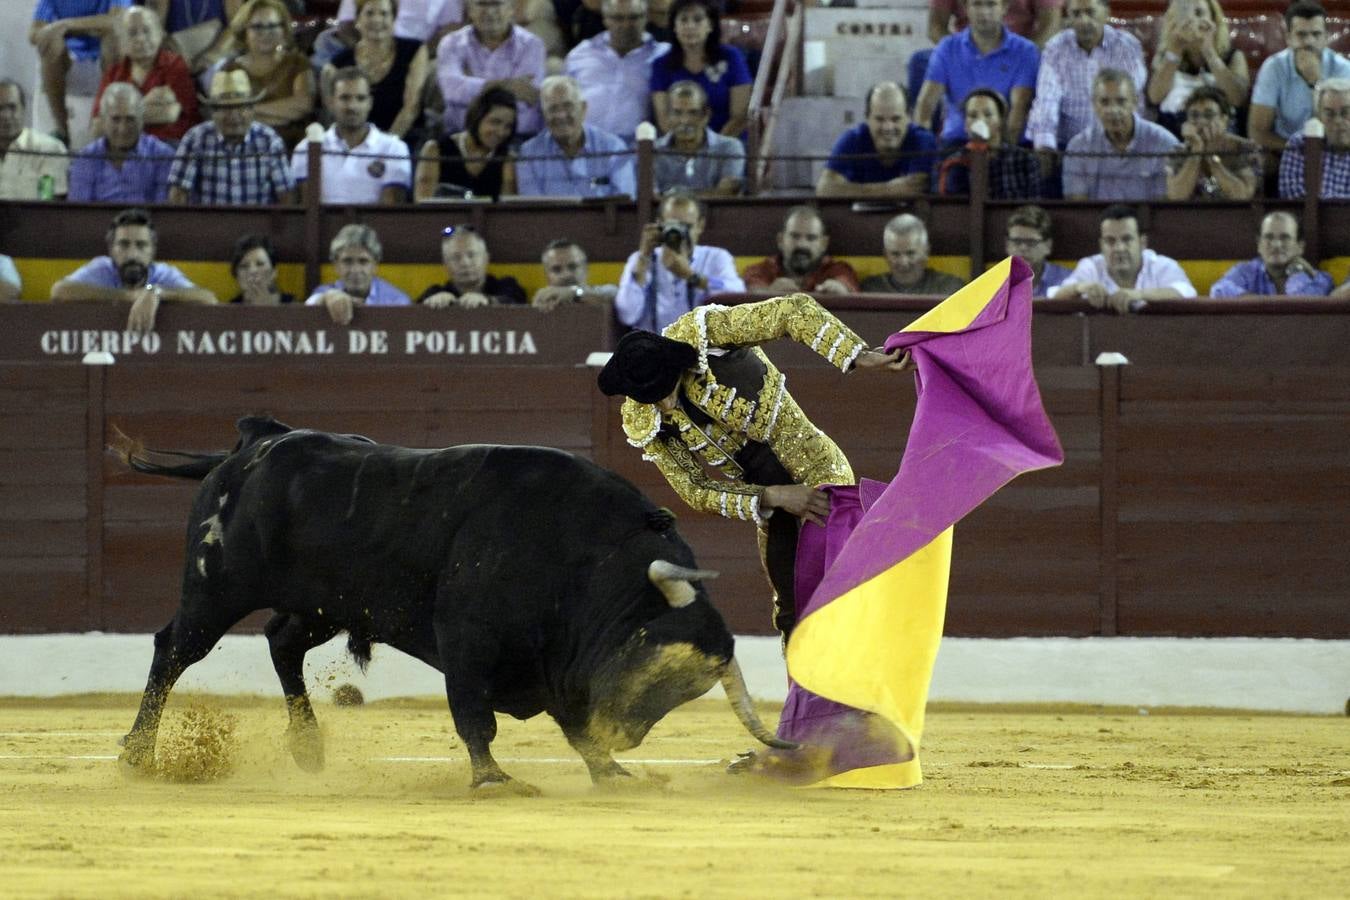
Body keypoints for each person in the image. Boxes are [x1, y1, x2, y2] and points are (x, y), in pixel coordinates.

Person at [596, 293, 912, 643]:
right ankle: (806, 697)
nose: (666, 404)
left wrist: (858, 355)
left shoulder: (706, 334)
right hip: (768, 501)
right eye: (652, 398)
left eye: (665, 389)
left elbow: (792, 312)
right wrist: (773, 496)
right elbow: (695, 490)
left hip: (816, 467)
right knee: (791, 612)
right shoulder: (644, 417)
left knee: (835, 579)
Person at [50, 207, 216, 333]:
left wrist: (156, 292)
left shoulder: (163, 273)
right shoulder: (102, 268)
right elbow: (59, 291)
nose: (132, 253)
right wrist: (129, 296)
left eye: (141, 245)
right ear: (111, 249)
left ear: (152, 251)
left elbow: (208, 299)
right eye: (123, 244)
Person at [1027, 0, 1146, 176]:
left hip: (1118, 142)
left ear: (1106, 13)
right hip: (1068, 147)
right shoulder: (1056, 48)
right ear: (1068, 17)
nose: (1083, 21)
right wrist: (1045, 145)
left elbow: (1130, 103)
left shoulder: (1126, 46)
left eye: (1090, 13)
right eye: (1076, 14)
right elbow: (1046, 100)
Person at [914, 0, 1039, 147]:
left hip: (1007, 145)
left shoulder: (1025, 51)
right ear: (966, 8)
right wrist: (922, 153)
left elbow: (1018, 113)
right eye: (977, 4)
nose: (984, 12)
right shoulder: (946, 48)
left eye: (991, 4)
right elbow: (925, 107)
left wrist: (1001, 156)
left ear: (1004, 7)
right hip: (957, 142)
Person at [615, 190, 743, 332]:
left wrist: (692, 277)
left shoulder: (716, 257)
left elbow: (737, 295)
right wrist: (644, 258)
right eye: (672, 225)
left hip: (702, 350)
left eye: (686, 227)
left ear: (700, 225)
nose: (679, 233)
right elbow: (627, 315)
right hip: (652, 348)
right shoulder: (641, 260)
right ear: (659, 224)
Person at [168, 69, 296, 205]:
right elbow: (178, 192)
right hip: (208, 224)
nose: (234, 116)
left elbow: (286, 194)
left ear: (252, 110)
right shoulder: (195, 138)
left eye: (241, 108)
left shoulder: (269, 140)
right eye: (226, 108)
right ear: (212, 112)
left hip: (257, 224)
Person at [292, 67, 412, 205]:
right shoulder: (305, 148)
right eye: (345, 98)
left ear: (370, 103)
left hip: (373, 227)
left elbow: (390, 213)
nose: (352, 106)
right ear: (331, 102)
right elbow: (307, 208)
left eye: (360, 98)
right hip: (322, 227)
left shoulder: (394, 148)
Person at [1051, 205, 1197, 311]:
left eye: (1127, 239)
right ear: (1101, 245)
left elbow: (1186, 292)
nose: (1119, 248)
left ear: (1142, 243)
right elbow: (1055, 296)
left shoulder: (1163, 265)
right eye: (1110, 241)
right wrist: (1079, 288)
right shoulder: (1091, 266)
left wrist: (1139, 295)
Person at [1062, 68, 1180, 200]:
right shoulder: (1078, 147)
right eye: (1105, 102)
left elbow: (1165, 204)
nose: (1113, 110)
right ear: (1094, 105)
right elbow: (1078, 207)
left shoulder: (1164, 143)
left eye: (1121, 101)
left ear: (1135, 102)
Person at [1249, 2, 1350, 154]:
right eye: (1301, 35)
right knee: (1259, 161)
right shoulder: (1274, 67)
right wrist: (1299, 151)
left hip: (1333, 150)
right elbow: (1257, 132)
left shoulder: (1343, 68)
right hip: (1286, 148)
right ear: (1288, 38)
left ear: (1326, 38)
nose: (1309, 41)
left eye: (1316, 34)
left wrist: (1316, 83)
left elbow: (1341, 126)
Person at [212, 0, 316, 148]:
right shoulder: (230, 68)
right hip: (245, 146)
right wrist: (281, 114)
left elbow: (303, 105)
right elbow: (228, 116)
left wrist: (248, 110)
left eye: (273, 26)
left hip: (293, 145)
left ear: (284, 29)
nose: (266, 33)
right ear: (244, 30)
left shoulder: (297, 62)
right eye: (257, 27)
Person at [324, 0, 431, 140]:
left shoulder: (414, 51)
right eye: (369, 13)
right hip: (355, 142)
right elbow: (336, 115)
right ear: (358, 20)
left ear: (394, 18)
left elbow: (411, 108)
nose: (377, 19)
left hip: (403, 138)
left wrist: (385, 148)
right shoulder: (337, 64)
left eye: (384, 14)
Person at [436, 0, 546, 136]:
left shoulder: (532, 45)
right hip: (461, 135)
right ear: (470, 10)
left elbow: (527, 98)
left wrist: (472, 89)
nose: (489, 11)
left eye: (496, 4)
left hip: (516, 138)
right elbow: (451, 91)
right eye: (482, 4)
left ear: (511, 8)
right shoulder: (451, 43)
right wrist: (508, 86)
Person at [564, 0, 669, 143]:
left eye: (634, 17)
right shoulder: (580, 54)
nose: (626, 25)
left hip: (637, 150)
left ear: (647, 17)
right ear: (605, 19)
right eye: (618, 18)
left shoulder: (663, 55)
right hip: (585, 147)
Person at [30, 0, 131, 145]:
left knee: (115, 37)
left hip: (106, 57)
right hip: (69, 59)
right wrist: (54, 31)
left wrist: (66, 25)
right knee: (50, 44)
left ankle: (111, 124)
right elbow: (34, 33)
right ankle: (62, 131)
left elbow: (116, 21)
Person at [93, 5, 199, 144]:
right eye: (132, 33)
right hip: (123, 149)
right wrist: (147, 105)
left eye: (147, 31)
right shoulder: (114, 73)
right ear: (121, 42)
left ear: (160, 33)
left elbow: (170, 114)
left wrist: (118, 116)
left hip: (167, 146)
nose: (140, 39)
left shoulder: (174, 65)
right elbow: (96, 128)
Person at [516, 76, 635, 198]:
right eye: (552, 109)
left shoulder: (614, 148)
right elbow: (532, 210)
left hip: (604, 217)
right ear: (544, 115)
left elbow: (625, 202)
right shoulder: (529, 154)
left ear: (583, 108)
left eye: (568, 106)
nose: (561, 115)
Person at [815, 82, 937, 199]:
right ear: (867, 118)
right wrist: (891, 189)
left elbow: (916, 188)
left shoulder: (923, 140)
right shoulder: (852, 138)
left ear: (908, 117)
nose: (888, 127)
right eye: (879, 119)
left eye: (895, 119)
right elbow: (824, 189)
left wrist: (851, 190)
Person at [1146, 0, 1249, 138]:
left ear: (1213, 20)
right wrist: (1175, 51)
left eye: (1199, 13)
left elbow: (1237, 98)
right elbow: (1155, 97)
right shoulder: (1165, 57)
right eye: (1182, 15)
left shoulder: (1234, 56)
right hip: (1174, 131)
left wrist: (1209, 52)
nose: (1192, 21)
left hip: (1219, 131)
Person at [649, 0, 751, 138]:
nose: (690, 26)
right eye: (683, 20)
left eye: (697, 20)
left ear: (710, 25)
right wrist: (687, 149)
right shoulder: (661, 64)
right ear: (674, 27)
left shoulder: (731, 57)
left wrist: (713, 149)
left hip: (727, 145)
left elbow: (740, 116)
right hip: (679, 148)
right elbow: (664, 120)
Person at [69, 83, 176, 203]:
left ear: (141, 120)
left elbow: (163, 212)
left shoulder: (163, 156)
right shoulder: (86, 158)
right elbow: (80, 212)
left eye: (130, 119)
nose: (123, 129)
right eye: (116, 119)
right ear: (103, 120)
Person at [414, 85, 517, 200]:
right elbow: (423, 202)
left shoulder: (507, 159)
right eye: (495, 122)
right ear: (477, 117)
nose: (501, 132)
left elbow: (507, 211)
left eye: (508, 126)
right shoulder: (435, 150)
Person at [936, 88, 1040, 199]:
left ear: (1001, 120)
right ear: (965, 124)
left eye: (988, 114)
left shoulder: (1025, 159)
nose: (980, 120)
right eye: (973, 115)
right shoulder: (954, 162)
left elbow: (1034, 207)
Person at [1165, 85, 1260, 200]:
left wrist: (1212, 157)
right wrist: (1196, 151)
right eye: (1194, 115)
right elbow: (1176, 196)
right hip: (1190, 216)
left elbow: (1242, 195)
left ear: (1224, 120)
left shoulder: (1246, 149)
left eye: (1208, 115)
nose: (1201, 121)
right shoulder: (1178, 152)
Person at [1209, 212, 1333, 298]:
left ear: (1300, 246)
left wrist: (1297, 274)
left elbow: (1298, 308)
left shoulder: (1318, 279)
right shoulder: (1245, 271)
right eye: (1269, 237)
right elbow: (1218, 291)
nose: (1276, 244)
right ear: (1259, 245)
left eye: (1285, 238)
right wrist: (1267, 304)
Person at [307, 224, 411, 325]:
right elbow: (310, 303)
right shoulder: (326, 291)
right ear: (336, 265)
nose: (355, 269)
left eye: (363, 261)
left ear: (375, 265)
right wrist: (326, 298)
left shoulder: (396, 300)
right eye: (347, 261)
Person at [653, 80, 744, 196]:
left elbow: (726, 194)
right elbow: (650, 198)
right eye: (677, 113)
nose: (684, 121)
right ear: (668, 116)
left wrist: (674, 195)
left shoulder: (730, 147)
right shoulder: (653, 151)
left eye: (693, 113)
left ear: (706, 115)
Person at [742, 207, 859, 295]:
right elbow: (751, 292)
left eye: (811, 238)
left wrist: (840, 291)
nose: (802, 244)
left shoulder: (838, 270)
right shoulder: (762, 270)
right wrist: (769, 293)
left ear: (824, 243)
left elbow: (847, 286)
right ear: (781, 240)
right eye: (795, 236)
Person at [418, 224, 527, 307]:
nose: (465, 263)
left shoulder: (507, 287)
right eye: (456, 257)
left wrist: (487, 300)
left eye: (471, 255)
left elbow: (514, 301)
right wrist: (432, 303)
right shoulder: (435, 292)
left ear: (486, 259)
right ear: (445, 265)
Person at [860, 214, 965, 296]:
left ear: (926, 252)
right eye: (895, 254)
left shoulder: (950, 289)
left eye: (911, 253)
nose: (904, 262)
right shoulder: (871, 289)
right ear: (885, 255)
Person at [1279, 78, 1350, 199]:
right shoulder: (1300, 144)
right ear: (1319, 116)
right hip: (1306, 217)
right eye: (1330, 114)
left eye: (1345, 112)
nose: (1338, 121)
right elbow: (1291, 193)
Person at [0, 80, 70, 201]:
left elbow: (47, 204)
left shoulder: (49, 150)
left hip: (32, 219)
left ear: (23, 109)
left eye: (12, 107)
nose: (5, 115)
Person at [145, 0, 241, 75]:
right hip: (175, 54)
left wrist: (209, 57)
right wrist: (175, 53)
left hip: (216, 55)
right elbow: (153, 28)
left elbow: (236, 28)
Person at [928, 0, 1061, 47]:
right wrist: (957, 52)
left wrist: (1024, 53)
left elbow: (1051, 25)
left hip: (1021, 49)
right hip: (965, 48)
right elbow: (935, 27)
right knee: (920, 61)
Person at [531, 238, 618, 310]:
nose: (566, 274)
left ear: (586, 270)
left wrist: (575, 293)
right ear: (547, 276)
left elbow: (617, 301)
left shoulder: (607, 291)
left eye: (573, 267)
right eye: (556, 269)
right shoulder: (544, 299)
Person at [1005, 204, 1070, 298]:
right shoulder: (994, 282)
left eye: (1031, 242)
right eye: (1017, 241)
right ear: (1007, 245)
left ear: (1048, 245)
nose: (1023, 248)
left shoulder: (1067, 280)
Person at [227, 234, 294, 305]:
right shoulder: (229, 309)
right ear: (236, 275)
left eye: (260, 264)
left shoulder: (293, 306)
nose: (252, 271)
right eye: (244, 266)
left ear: (273, 272)